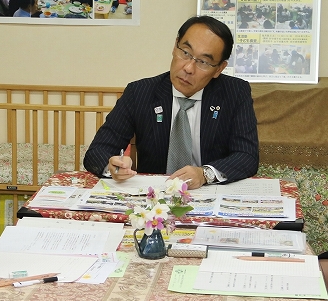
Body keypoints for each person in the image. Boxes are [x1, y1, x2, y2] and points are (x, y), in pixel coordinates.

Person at [84, 16, 259, 189]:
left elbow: (247, 156)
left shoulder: (235, 92)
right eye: (185, 53)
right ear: (175, 46)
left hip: (208, 193)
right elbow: (97, 152)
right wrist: (113, 167)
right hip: (154, 198)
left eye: (204, 62)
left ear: (219, 69)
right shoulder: (140, 92)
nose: (188, 68)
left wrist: (205, 174)